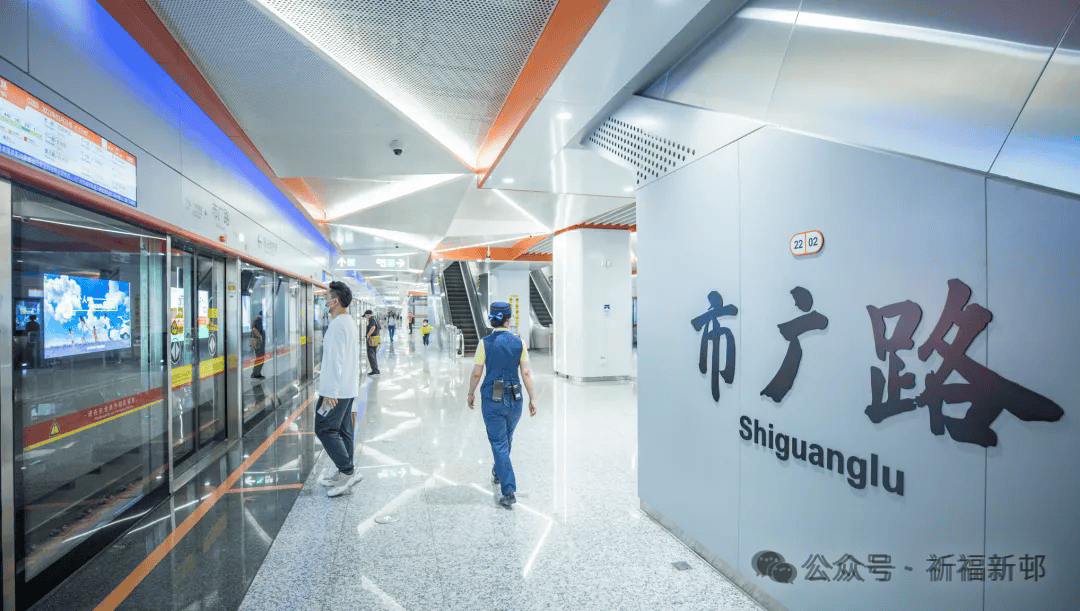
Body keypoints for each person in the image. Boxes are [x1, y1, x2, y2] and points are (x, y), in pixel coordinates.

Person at [467, 302, 538, 508]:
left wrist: (471, 393)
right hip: (515, 398)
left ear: (492, 320)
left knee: (499, 442)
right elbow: (526, 372)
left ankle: (508, 491)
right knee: (506, 438)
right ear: (509, 320)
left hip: (493, 398)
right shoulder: (519, 343)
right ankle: (499, 470)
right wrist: (532, 398)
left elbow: (477, 373)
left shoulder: (484, 343)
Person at [315, 281, 364, 497]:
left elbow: (335, 361)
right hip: (347, 388)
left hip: (336, 392)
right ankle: (345, 470)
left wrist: (330, 393)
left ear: (335, 301)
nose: (324, 299)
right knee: (343, 431)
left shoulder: (337, 326)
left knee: (324, 428)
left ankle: (347, 472)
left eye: (326, 296)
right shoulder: (348, 322)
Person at [364, 309, 381, 375]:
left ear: (368, 315)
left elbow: (373, 328)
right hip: (375, 338)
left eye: (365, 316)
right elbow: (379, 329)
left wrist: (368, 335)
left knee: (371, 355)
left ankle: (375, 370)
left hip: (372, 339)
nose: (365, 317)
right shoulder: (376, 319)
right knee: (373, 354)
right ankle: (376, 369)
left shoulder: (371, 320)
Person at [251, 310, 266, 379]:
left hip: (258, 342)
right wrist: (260, 336)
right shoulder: (258, 321)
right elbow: (254, 329)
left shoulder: (257, 321)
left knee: (260, 358)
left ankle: (257, 373)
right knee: (260, 358)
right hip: (258, 343)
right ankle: (255, 374)